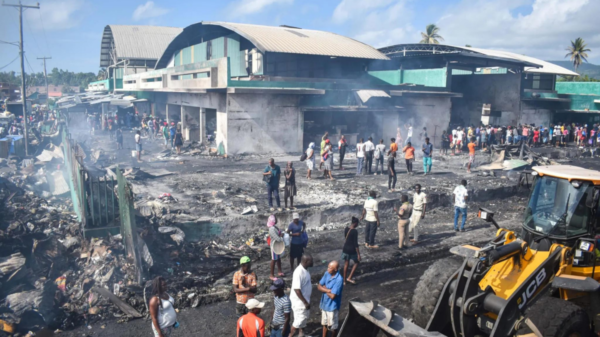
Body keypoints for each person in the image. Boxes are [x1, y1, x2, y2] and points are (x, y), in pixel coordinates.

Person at [289, 254, 314, 337]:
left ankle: (301, 334)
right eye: (311, 261)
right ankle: (290, 335)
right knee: (298, 321)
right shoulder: (298, 272)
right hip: (299, 302)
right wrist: (305, 302)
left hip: (304, 300)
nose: (313, 262)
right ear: (306, 261)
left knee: (303, 318)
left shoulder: (305, 270)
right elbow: (297, 290)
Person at [318, 261, 343, 337]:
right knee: (324, 324)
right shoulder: (327, 274)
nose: (327, 269)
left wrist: (324, 289)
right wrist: (328, 290)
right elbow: (319, 286)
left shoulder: (339, 279)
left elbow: (333, 296)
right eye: (328, 267)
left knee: (333, 326)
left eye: (330, 268)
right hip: (324, 304)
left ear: (335, 269)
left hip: (332, 306)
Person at [341, 217, 360, 285]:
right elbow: (355, 244)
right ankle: (349, 277)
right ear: (355, 223)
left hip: (345, 248)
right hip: (352, 249)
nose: (358, 225)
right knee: (357, 262)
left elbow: (346, 238)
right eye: (357, 223)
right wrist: (358, 254)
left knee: (346, 264)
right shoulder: (355, 231)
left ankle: (344, 281)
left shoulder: (346, 229)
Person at [268, 215, 285, 280]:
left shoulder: (274, 227)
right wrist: (281, 236)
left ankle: (279, 271)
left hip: (277, 245)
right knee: (274, 260)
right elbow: (277, 238)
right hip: (274, 246)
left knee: (278, 259)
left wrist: (281, 234)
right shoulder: (272, 229)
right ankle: (271, 275)